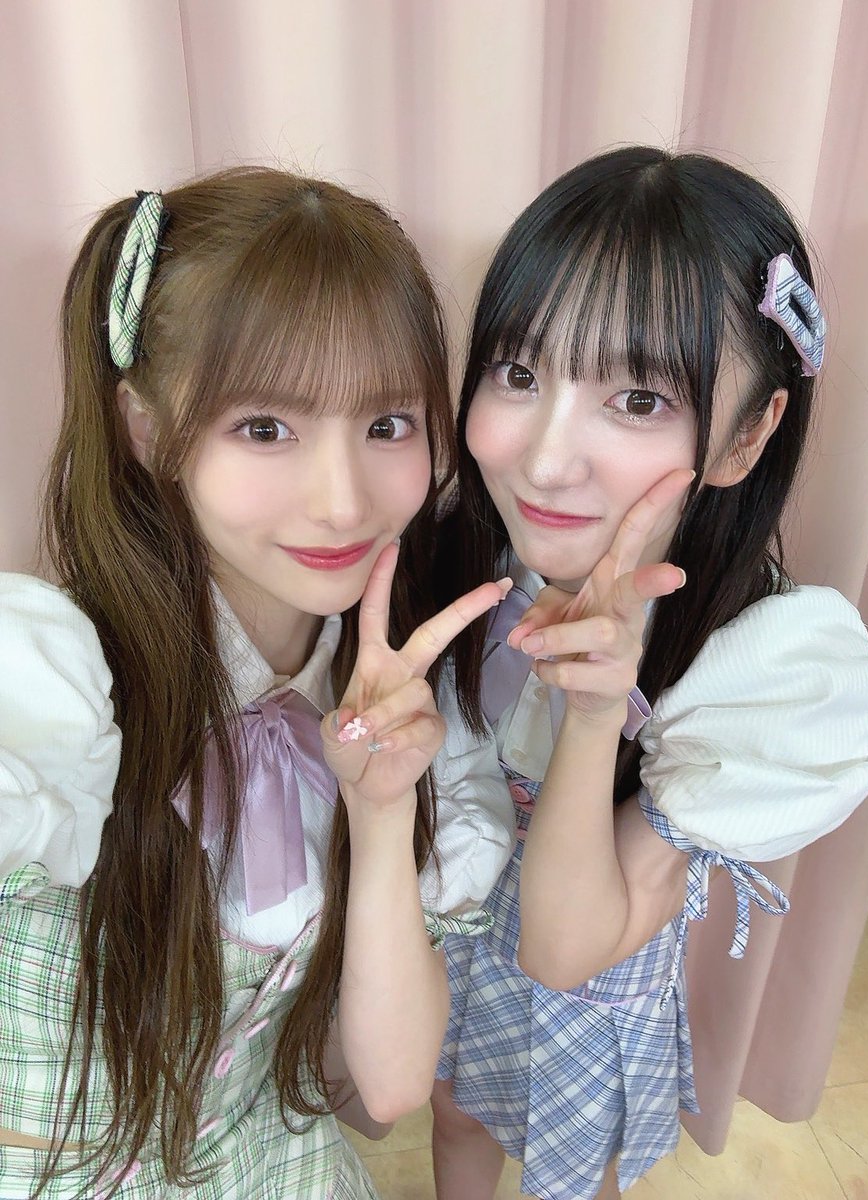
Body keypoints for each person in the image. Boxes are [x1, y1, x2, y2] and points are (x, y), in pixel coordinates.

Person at [0, 168, 516, 1198]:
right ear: (148, 430)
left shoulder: (400, 695)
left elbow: (392, 1085)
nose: (342, 502)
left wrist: (381, 813)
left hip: (266, 1165)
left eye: (388, 425)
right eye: (266, 428)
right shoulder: (50, 685)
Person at [431, 146, 868, 1200]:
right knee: (455, 1117)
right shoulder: (462, 560)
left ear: (749, 435)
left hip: (588, 995)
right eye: (518, 374)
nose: (545, 460)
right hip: (462, 952)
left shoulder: (764, 669)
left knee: (574, 1173)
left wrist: (599, 715)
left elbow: (565, 950)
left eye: (638, 398)